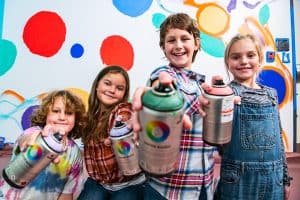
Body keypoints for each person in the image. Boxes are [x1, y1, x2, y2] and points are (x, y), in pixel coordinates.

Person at [132, 13, 216, 200]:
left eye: (184, 38)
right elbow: (159, 92)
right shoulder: (162, 74)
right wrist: (153, 96)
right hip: (168, 189)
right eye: (171, 40)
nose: (178, 45)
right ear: (163, 47)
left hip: (203, 184)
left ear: (196, 43)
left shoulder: (200, 83)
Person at [212, 33, 292, 199]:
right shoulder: (227, 94)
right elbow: (216, 142)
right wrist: (217, 103)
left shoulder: (272, 95)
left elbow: (278, 140)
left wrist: (285, 179)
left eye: (250, 55)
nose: (243, 61)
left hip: (274, 181)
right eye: (236, 57)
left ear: (260, 58)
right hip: (238, 182)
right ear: (228, 62)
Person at [0, 90, 87, 200]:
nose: (62, 117)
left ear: (76, 119)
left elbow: (66, 195)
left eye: (69, 113)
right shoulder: (34, 133)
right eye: (56, 111)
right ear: (46, 114)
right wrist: (32, 141)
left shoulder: (75, 153)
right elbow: (26, 139)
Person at [77, 65, 145, 200]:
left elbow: (125, 116)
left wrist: (122, 130)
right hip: (99, 183)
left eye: (119, 88)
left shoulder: (121, 110)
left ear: (124, 94)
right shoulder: (89, 118)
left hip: (129, 184)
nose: (112, 90)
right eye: (107, 84)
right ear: (97, 85)